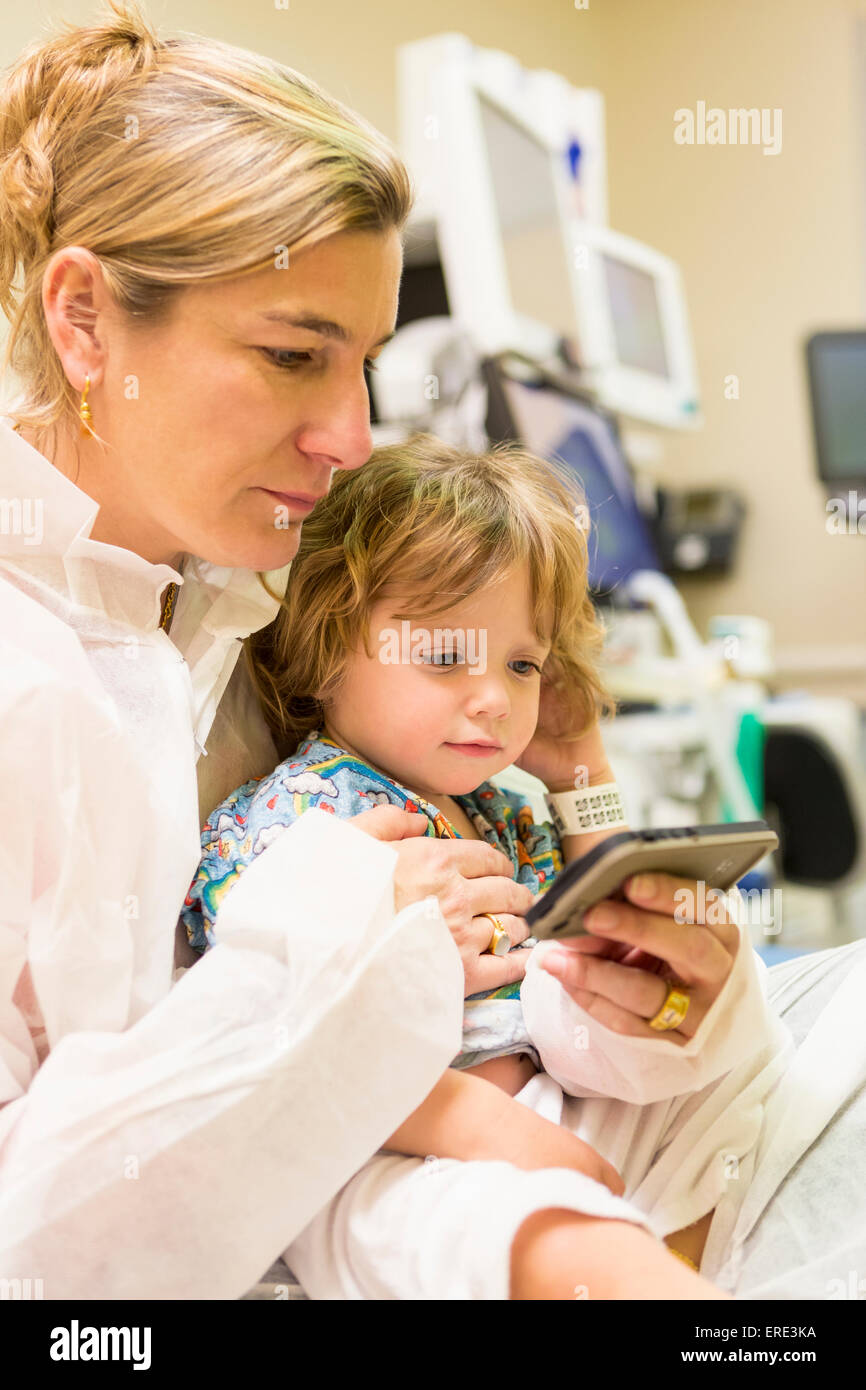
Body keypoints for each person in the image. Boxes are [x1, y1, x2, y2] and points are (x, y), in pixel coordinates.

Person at [182, 433, 797, 1299]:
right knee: (534, 1233)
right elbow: (272, 1039)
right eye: (444, 658)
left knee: (748, 1068)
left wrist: (584, 772)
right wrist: (487, 1129)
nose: (496, 698)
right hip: (385, 1152)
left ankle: (689, 1260)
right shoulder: (301, 817)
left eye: (523, 663)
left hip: (540, 1105)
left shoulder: (504, 815)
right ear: (324, 647)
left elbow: (603, 944)